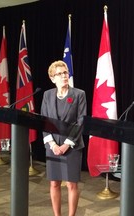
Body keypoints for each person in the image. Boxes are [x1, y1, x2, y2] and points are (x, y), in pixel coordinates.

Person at [41, 60, 87, 216]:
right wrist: (53, 144)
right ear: (52, 78)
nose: (64, 76)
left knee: (71, 185)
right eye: (59, 74)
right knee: (54, 184)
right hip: (53, 145)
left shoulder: (79, 94)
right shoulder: (47, 95)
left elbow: (80, 122)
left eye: (65, 72)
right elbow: (44, 121)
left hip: (71, 146)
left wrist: (66, 145)